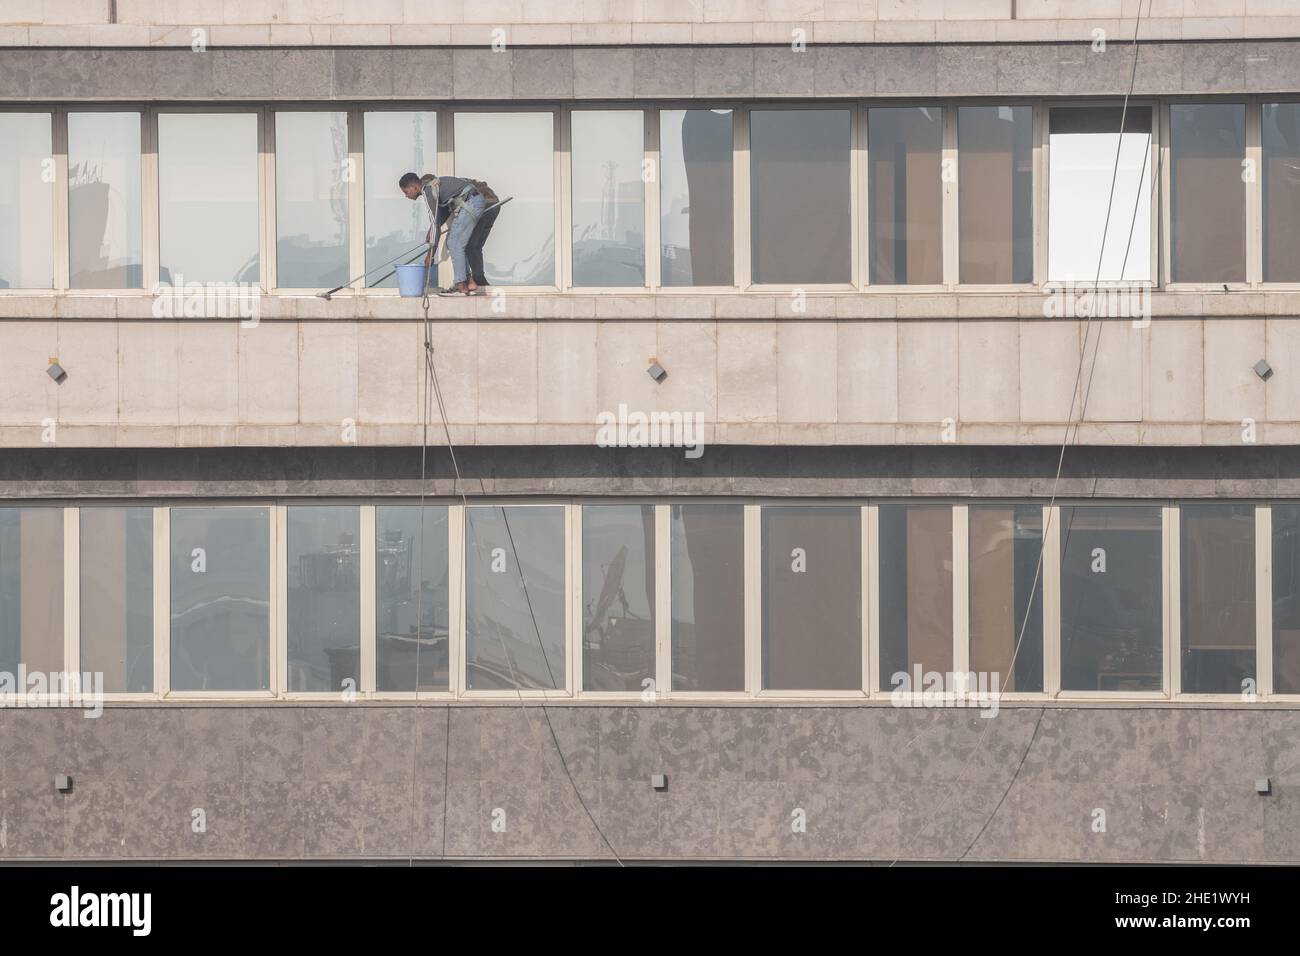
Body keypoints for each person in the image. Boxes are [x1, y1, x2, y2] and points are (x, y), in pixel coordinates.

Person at [399, 171, 499, 296]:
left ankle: (461, 285)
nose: (406, 196)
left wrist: (430, 254)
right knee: (462, 244)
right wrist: (432, 228)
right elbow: (443, 214)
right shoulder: (433, 187)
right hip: (476, 201)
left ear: (414, 187)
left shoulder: (428, 191)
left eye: (406, 192)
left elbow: (436, 225)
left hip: (472, 203)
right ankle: (470, 282)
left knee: (454, 242)